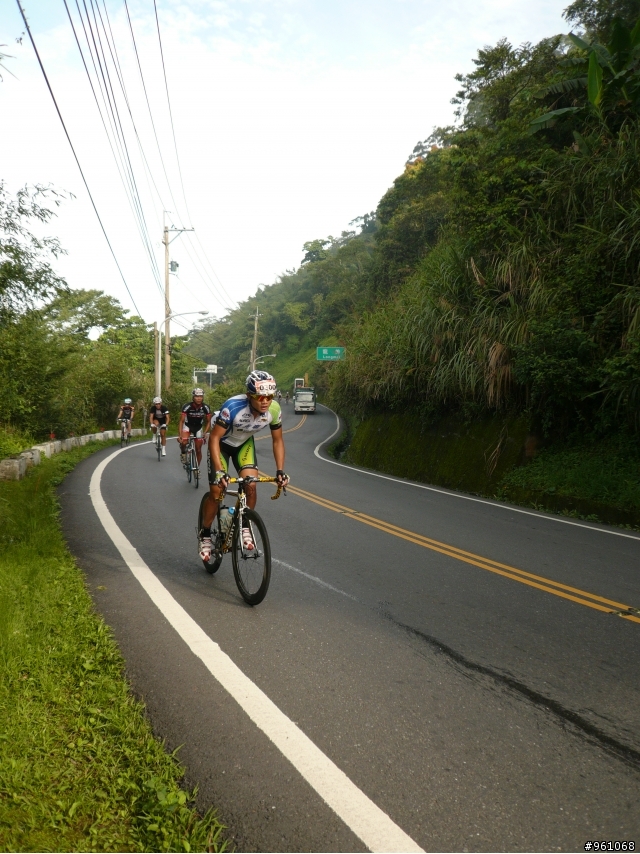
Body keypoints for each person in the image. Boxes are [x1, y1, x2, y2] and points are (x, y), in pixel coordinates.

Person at [198, 371, 289, 561]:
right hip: (221, 445)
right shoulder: (232, 407)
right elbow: (214, 439)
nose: (266, 401)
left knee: (251, 485)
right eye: (261, 397)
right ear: (249, 396)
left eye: (270, 396)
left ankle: (245, 525)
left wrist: (280, 471)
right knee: (216, 493)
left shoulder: (274, 409)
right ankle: (205, 534)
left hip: (243, 444)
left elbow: (278, 441)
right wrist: (221, 472)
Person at [178, 388, 211, 468]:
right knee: (184, 442)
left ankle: (196, 468)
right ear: (193, 397)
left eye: (201, 396)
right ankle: (183, 452)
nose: (199, 398)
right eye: (197, 396)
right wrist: (180, 435)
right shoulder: (187, 406)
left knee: (198, 449)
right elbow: (181, 421)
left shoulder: (206, 407)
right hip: (187, 426)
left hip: (198, 427)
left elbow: (209, 421)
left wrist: (205, 432)